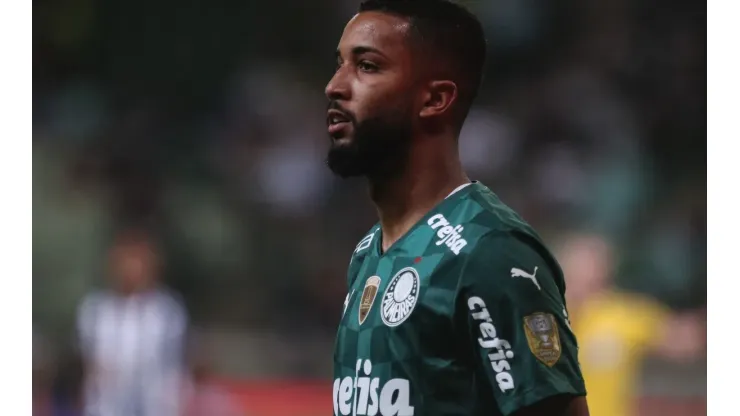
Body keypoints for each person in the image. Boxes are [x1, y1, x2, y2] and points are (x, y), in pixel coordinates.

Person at [325, 1, 589, 415]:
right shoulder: (367, 253)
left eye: (368, 66)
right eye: (339, 63)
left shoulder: (488, 251)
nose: (335, 86)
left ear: (435, 99)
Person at [557, 232, 705, 416]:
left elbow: (684, 341)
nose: (583, 277)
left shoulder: (624, 316)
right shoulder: (537, 316)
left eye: (591, 267)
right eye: (576, 270)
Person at [76, 228, 189, 416]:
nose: (131, 270)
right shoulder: (95, 309)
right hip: (106, 406)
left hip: (155, 405)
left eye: (138, 262)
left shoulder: (167, 311)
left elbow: (175, 364)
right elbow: (90, 361)